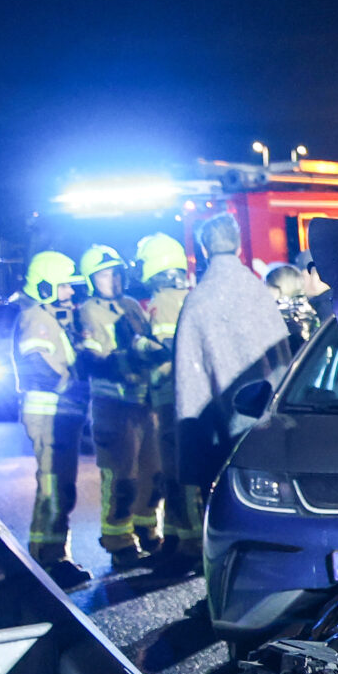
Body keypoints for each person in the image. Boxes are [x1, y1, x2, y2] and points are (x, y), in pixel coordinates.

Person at [171, 214, 289, 558]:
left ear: (205, 249)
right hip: (265, 418)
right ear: (238, 245)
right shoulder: (258, 293)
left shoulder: (198, 300)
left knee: (223, 499)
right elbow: (282, 355)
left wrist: (191, 441)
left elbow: (189, 380)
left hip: (217, 425)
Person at [74, 245, 163, 569]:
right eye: (103, 274)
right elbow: (92, 360)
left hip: (143, 400)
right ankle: (118, 540)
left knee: (153, 471)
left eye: (115, 273)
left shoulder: (131, 306)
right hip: (112, 403)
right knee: (121, 476)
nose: (111, 280)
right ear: (91, 279)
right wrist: (125, 358)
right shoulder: (87, 311)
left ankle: (146, 526)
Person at [15, 250, 90, 589]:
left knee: (60, 486)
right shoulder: (37, 318)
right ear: (46, 285)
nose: (71, 292)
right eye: (64, 286)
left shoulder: (47, 316)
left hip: (58, 414)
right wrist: (69, 385)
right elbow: (37, 363)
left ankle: (53, 554)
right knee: (53, 487)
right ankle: (49, 559)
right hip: (48, 413)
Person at [133, 232, 196, 571]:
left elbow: (166, 347)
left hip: (171, 397)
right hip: (172, 397)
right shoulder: (179, 296)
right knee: (171, 472)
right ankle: (174, 536)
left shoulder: (166, 300)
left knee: (177, 472)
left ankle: (188, 542)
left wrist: (140, 346)